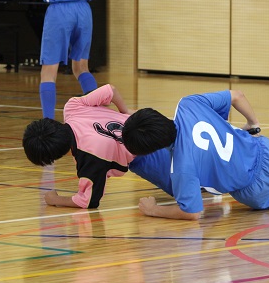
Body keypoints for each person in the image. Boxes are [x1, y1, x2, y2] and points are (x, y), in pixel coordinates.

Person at [121, 90, 269, 221]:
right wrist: (253, 123)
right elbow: (237, 96)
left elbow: (191, 212)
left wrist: (153, 210)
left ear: (151, 150)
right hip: (263, 152)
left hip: (251, 189)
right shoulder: (188, 105)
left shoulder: (182, 168)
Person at [22, 84, 173, 209]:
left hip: (147, 157)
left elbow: (87, 201)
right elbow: (110, 90)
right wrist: (125, 111)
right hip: (151, 126)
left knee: (190, 187)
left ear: (52, 158)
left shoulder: (88, 158)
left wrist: (55, 199)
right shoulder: (72, 107)